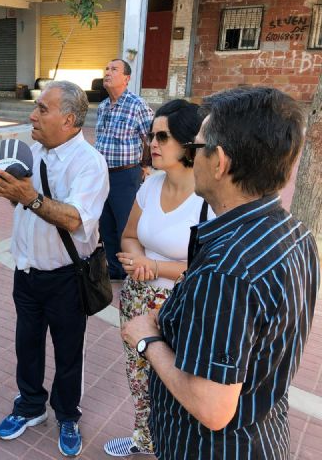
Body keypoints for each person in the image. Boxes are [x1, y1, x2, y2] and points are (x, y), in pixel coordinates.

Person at [122, 86, 319, 459]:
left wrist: (148, 339)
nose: (191, 156)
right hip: (262, 436)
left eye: (197, 147)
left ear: (220, 162)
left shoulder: (227, 269)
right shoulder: (296, 234)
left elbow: (212, 407)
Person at [0, 81, 109, 457]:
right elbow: (22, 205)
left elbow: (74, 219)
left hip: (67, 277)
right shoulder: (33, 151)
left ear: (69, 120)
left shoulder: (89, 162)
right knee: (27, 345)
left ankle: (68, 415)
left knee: (68, 352)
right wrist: (10, 191)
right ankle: (30, 406)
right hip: (25, 272)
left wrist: (29, 197)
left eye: (42, 109)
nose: (32, 116)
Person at [103, 100, 214, 457]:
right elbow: (128, 235)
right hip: (137, 300)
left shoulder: (208, 198)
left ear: (188, 142)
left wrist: (154, 266)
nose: (152, 143)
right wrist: (136, 259)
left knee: (177, 382)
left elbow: (209, 266)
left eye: (163, 137)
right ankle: (144, 437)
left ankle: (174, 446)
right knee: (139, 377)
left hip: (179, 307)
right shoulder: (150, 185)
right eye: (152, 135)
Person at [95, 59, 153, 281]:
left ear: (126, 78)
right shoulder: (102, 106)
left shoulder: (137, 105)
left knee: (125, 227)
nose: (107, 72)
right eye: (106, 69)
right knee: (106, 225)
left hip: (125, 176)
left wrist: (145, 165)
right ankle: (115, 270)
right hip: (103, 175)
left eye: (114, 69)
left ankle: (130, 270)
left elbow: (151, 137)